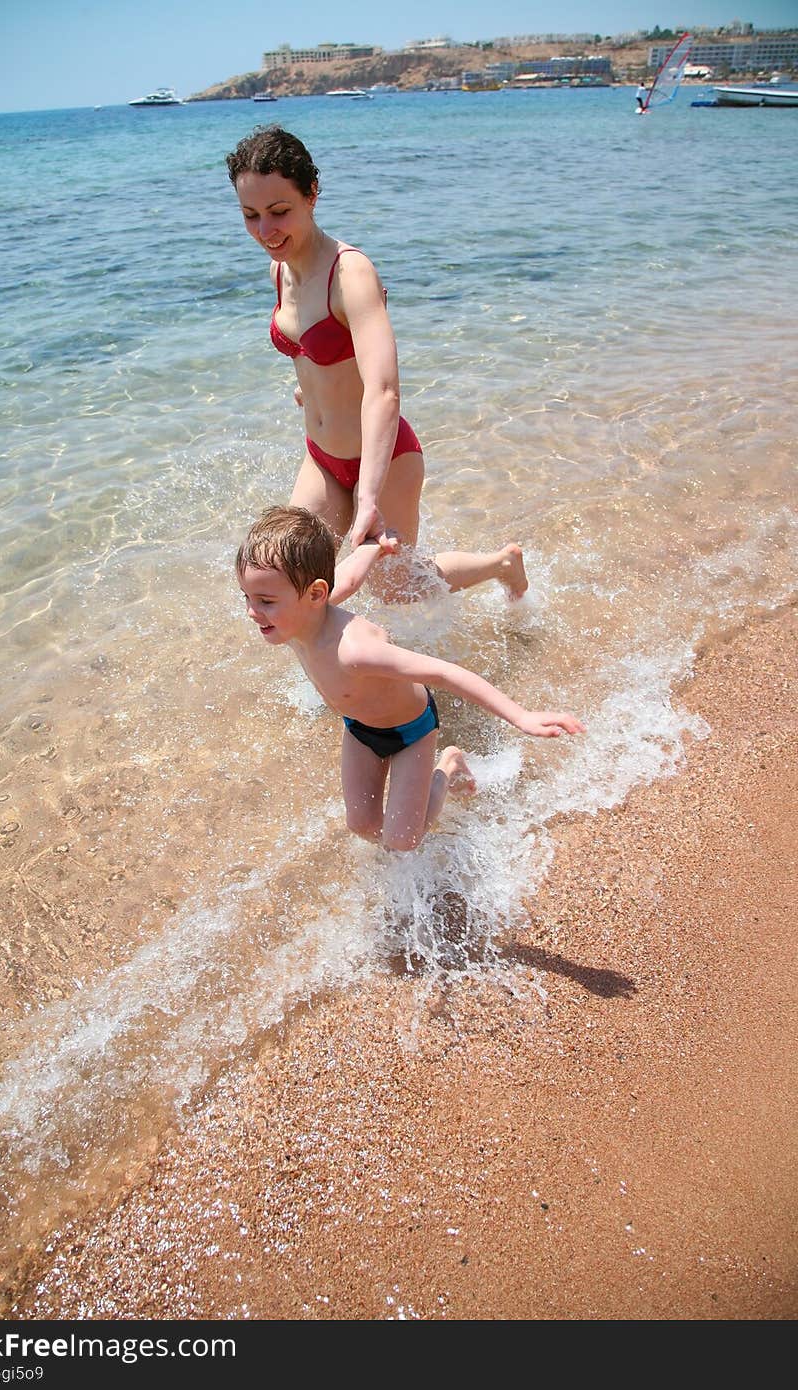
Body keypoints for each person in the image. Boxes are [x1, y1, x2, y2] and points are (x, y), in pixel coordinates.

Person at [225, 125, 528, 603]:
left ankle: (501, 564)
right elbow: (314, 347)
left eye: (279, 211)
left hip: (383, 460)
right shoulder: (278, 269)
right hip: (322, 457)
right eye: (251, 215)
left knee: (397, 587)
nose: (266, 231)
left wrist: (369, 499)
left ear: (312, 195)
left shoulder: (352, 274)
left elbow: (385, 390)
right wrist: (313, 387)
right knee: (291, 575)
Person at [236, 507, 585, 852]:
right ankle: (424, 786)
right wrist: (374, 545)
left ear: (315, 594)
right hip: (360, 729)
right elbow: (352, 578)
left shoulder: (354, 651)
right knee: (362, 825)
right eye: (248, 598)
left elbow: (444, 673)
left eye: (265, 600)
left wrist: (521, 716)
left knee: (403, 840)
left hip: (411, 732)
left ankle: (447, 766)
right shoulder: (295, 620)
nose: (253, 612)